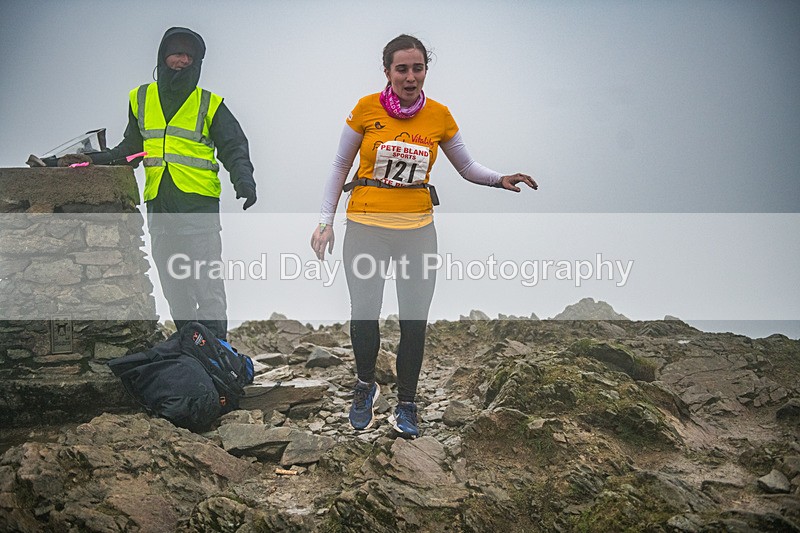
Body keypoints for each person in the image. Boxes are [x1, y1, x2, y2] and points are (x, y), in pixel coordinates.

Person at [310, 34, 537, 438]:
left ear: (425, 71)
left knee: (414, 322)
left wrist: (500, 179)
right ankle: (365, 385)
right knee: (365, 313)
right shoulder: (365, 110)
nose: (410, 77)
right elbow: (338, 166)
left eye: (418, 68)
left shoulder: (439, 115)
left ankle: (408, 404)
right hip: (365, 226)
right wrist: (325, 222)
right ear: (387, 72)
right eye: (402, 69)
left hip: (417, 231)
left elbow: (466, 167)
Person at [87, 27, 257, 340]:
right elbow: (131, 148)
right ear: (163, 56)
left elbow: (234, 145)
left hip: (198, 207)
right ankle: (193, 351)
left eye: (188, 55)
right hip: (160, 207)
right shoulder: (141, 98)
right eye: (176, 53)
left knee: (206, 288)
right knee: (175, 287)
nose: (182, 60)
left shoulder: (209, 103)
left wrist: (243, 179)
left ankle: (216, 355)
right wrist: (95, 160)